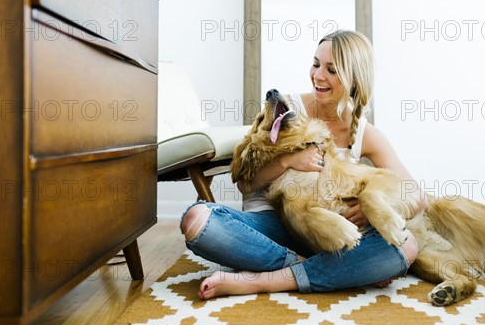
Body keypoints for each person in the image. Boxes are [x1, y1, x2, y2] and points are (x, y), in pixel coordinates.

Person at [180, 30, 429, 299]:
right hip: (272, 227)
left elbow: (416, 197)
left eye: (332, 70)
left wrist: (369, 211)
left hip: (332, 234)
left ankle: (264, 281)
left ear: (355, 80)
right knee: (197, 220)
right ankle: (324, 271)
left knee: (407, 247)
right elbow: (245, 183)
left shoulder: (366, 134)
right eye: (316, 64)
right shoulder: (284, 108)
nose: (318, 75)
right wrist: (288, 161)